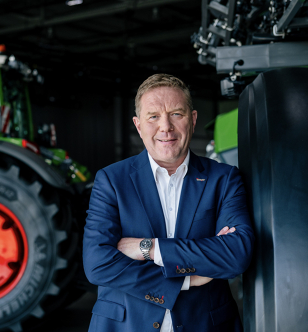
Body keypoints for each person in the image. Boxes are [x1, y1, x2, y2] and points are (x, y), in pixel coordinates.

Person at [83, 74, 254, 332]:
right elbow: (97, 264)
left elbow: (236, 254)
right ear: (138, 126)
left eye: (176, 114)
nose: (166, 127)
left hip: (206, 324)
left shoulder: (224, 179)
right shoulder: (111, 180)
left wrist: (150, 248)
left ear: (193, 119)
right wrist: (186, 280)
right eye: (153, 116)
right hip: (124, 325)